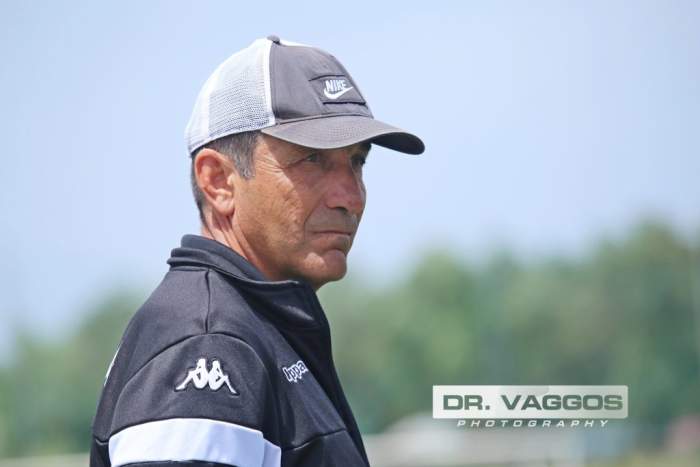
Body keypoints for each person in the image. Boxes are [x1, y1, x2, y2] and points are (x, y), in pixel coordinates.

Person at [90, 35, 424, 467]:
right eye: (312, 160)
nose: (350, 197)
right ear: (218, 181)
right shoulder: (209, 344)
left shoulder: (253, 326)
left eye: (357, 162)